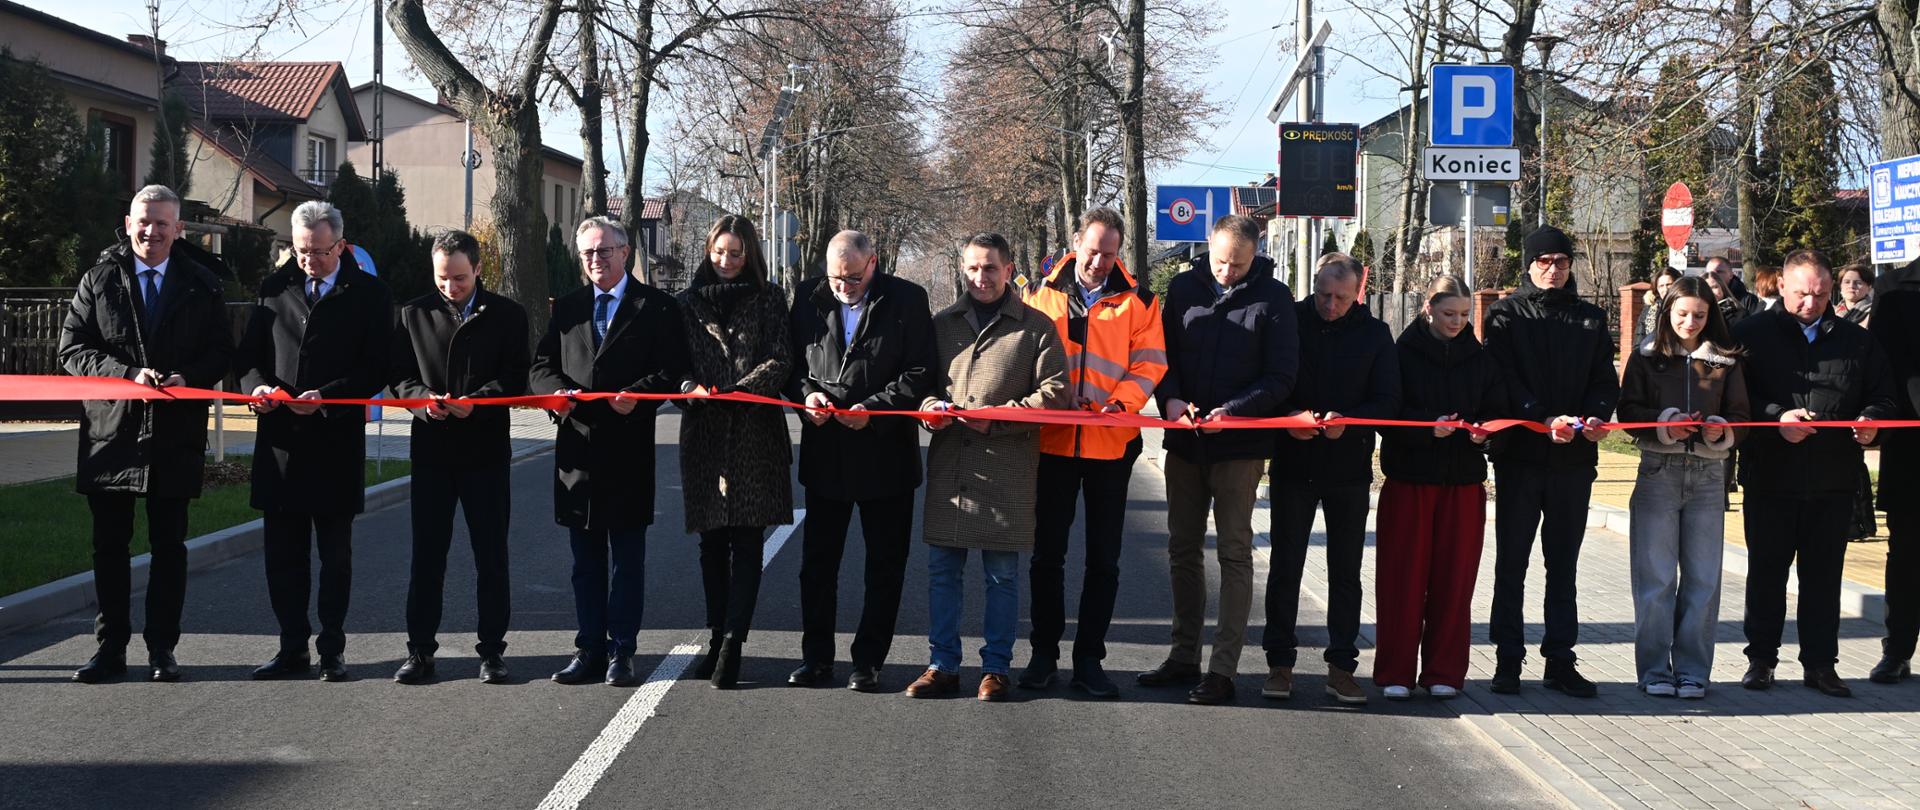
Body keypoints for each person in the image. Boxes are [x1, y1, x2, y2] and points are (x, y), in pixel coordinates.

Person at [57, 185, 234, 684]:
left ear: (179, 229)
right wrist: (126, 374)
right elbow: (72, 350)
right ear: (128, 223)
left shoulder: (201, 284)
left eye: (161, 223)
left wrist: (187, 378)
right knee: (109, 548)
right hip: (111, 434)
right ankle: (110, 650)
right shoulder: (100, 278)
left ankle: (162, 650)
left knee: (169, 548)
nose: (150, 232)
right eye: (143, 221)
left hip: (175, 435)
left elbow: (222, 352)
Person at [1139, 214, 1297, 706]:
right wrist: (1170, 398)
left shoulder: (1274, 298)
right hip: (1186, 441)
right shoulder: (1183, 288)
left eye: (1239, 265)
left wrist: (1234, 411)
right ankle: (1183, 654)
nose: (1227, 272)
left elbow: (1281, 376)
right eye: (1221, 261)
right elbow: (1161, 355)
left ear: (1256, 256)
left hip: (1239, 447)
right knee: (1182, 548)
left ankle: (1223, 668)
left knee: (1233, 551)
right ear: (1209, 245)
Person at [906, 232, 1068, 702]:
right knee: (942, 572)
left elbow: (1057, 393)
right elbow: (920, 382)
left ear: (1008, 268)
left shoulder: (1036, 327)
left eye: (990, 268)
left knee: (1002, 576)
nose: (981, 277)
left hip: (1007, 468)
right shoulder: (941, 324)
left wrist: (996, 418)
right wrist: (929, 407)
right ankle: (942, 665)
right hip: (953, 468)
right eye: (973, 268)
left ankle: (996, 667)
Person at [530, 216, 690, 687]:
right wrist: (555, 395)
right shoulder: (568, 308)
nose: (595, 260)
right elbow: (541, 366)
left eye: (603, 251)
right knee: (585, 564)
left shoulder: (656, 306)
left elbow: (672, 369)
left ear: (624, 252)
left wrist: (640, 395)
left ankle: (623, 649)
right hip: (578, 451)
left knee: (626, 562)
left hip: (628, 449)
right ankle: (589, 649)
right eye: (587, 253)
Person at [238, 200, 393, 682]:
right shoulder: (273, 287)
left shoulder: (368, 294)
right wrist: (257, 390)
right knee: (283, 557)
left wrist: (327, 397)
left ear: (340, 246)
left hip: (334, 443)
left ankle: (331, 648)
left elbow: (377, 367)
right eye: (301, 251)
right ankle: (291, 647)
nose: (309, 261)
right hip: (280, 443)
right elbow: (248, 359)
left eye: (320, 252)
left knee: (334, 556)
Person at [1016, 207, 1167, 699]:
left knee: (1104, 561)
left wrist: (1116, 406)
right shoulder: (1038, 295)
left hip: (1111, 444)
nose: (1099, 261)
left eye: (1109, 253)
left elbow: (1149, 363)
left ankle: (1089, 660)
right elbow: (1022, 359)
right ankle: (1043, 655)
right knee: (1047, 556)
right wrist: (1053, 400)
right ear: (1076, 242)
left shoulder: (1140, 302)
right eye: (1093, 250)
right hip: (1052, 442)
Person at [1735, 250, 1897, 698]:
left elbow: (1884, 396)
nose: (1811, 303)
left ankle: (1821, 665)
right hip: (1770, 476)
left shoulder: (1856, 341)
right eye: (1802, 294)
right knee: (1767, 574)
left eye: (1821, 295)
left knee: (1824, 579)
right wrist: (1776, 418)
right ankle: (1761, 660)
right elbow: (1735, 401)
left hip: (1833, 480)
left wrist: (1872, 422)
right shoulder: (1749, 335)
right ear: (1781, 286)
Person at [786, 230, 936, 693]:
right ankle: (815, 659)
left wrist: (873, 410)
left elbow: (921, 371)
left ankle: (868, 661)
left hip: (886, 454)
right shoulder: (808, 297)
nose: (843, 287)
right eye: (836, 278)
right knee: (817, 566)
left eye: (852, 278)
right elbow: (791, 365)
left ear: (873, 263)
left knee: (884, 567)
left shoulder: (908, 299)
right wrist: (806, 396)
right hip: (826, 450)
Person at [387, 229, 530, 685]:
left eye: (460, 278)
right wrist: (421, 401)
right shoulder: (413, 314)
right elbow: (398, 376)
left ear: (478, 269)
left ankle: (492, 652)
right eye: (442, 278)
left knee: (491, 556)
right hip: (432, 453)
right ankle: (419, 651)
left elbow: (517, 376)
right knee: (427, 557)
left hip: (485, 453)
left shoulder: (507, 315)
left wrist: (480, 402)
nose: (450, 287)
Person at [1483, 224, 1619, 698]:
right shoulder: (1505, 314)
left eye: (1561, 262)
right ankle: (1507, 659)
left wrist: (1595, 416)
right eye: (1544, 262)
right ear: (1530, 264)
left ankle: (1560, 659)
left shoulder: (1590, 318)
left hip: (1574, 461)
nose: (1553, 269)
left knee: (1563, 565)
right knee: (1512, 563)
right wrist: (1541, 417)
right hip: (1521, 457)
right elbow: (1502, 378)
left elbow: (1604, 379)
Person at [1263, 252, 1399, 705]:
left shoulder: (1375, 333)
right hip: (1293, 464)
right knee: (1286, 567)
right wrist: (1288, 418)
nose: (1330, 304)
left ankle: (1341, 667)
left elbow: (1388, 402)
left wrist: (1352, 422)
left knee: (1346, 572)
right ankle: (1279, 664)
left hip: (1348, 469)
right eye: (1323, 294)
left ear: (1358, 292)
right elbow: (1269, 383)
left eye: (1341, 297)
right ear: (1314, 284)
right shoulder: (1289, 321)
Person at [675, 214, 795, 690]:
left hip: (754, 435)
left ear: (750, 255)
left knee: (747, 543)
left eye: (736, 253)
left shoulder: (770, 298)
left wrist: (741, 391)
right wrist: (687, 386)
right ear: (709, 251)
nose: (726, 261)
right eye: (719, 251)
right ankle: (714, 635)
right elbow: (675, 363)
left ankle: (733, 643)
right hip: (704, 435)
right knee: (711, 545)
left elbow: (781, 358)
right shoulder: (687, 303)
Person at [1618, 275, 1749, 699]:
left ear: (1710, 316)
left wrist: (1722, 430)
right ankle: (1654, 669)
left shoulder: (1725, 361)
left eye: (1699, 315)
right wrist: (1664, 424)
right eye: (1682, 314)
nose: (1690, 322)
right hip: (1659, 472)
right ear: (1666, 312)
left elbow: (1742, 416)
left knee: (1703, 580)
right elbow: (1628, 413)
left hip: (1709, 477)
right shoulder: (1646, 356)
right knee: (1656, 580)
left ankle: (1693, 670)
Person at [1373, 275, 1503, 701]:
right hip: (1409, 480)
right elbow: (1387, 414)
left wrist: (1485, 435)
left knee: (1455, 580)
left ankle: (1444, 671)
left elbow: (1496, 410)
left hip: (1463, 483)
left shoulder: (1482, 358)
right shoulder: (1401, 354)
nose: (1457, 322)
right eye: (1449, 313)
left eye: (1464, 315)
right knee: (1402, 579)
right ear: (1428, 308)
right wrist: (1426, 427)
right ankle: (1395, 670)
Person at [1870, 255, 1920, 684]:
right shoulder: (1894, 289)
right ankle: (1898, 650)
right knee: (1907, 555)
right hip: (1912, 448)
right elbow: (1883, 370)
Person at [1642, 267, 1682, 339]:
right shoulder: (1650, 307)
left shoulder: (1684, 305)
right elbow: (1640, 334)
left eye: (1669, 284)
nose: (1665, 289)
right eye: (1661, 286)